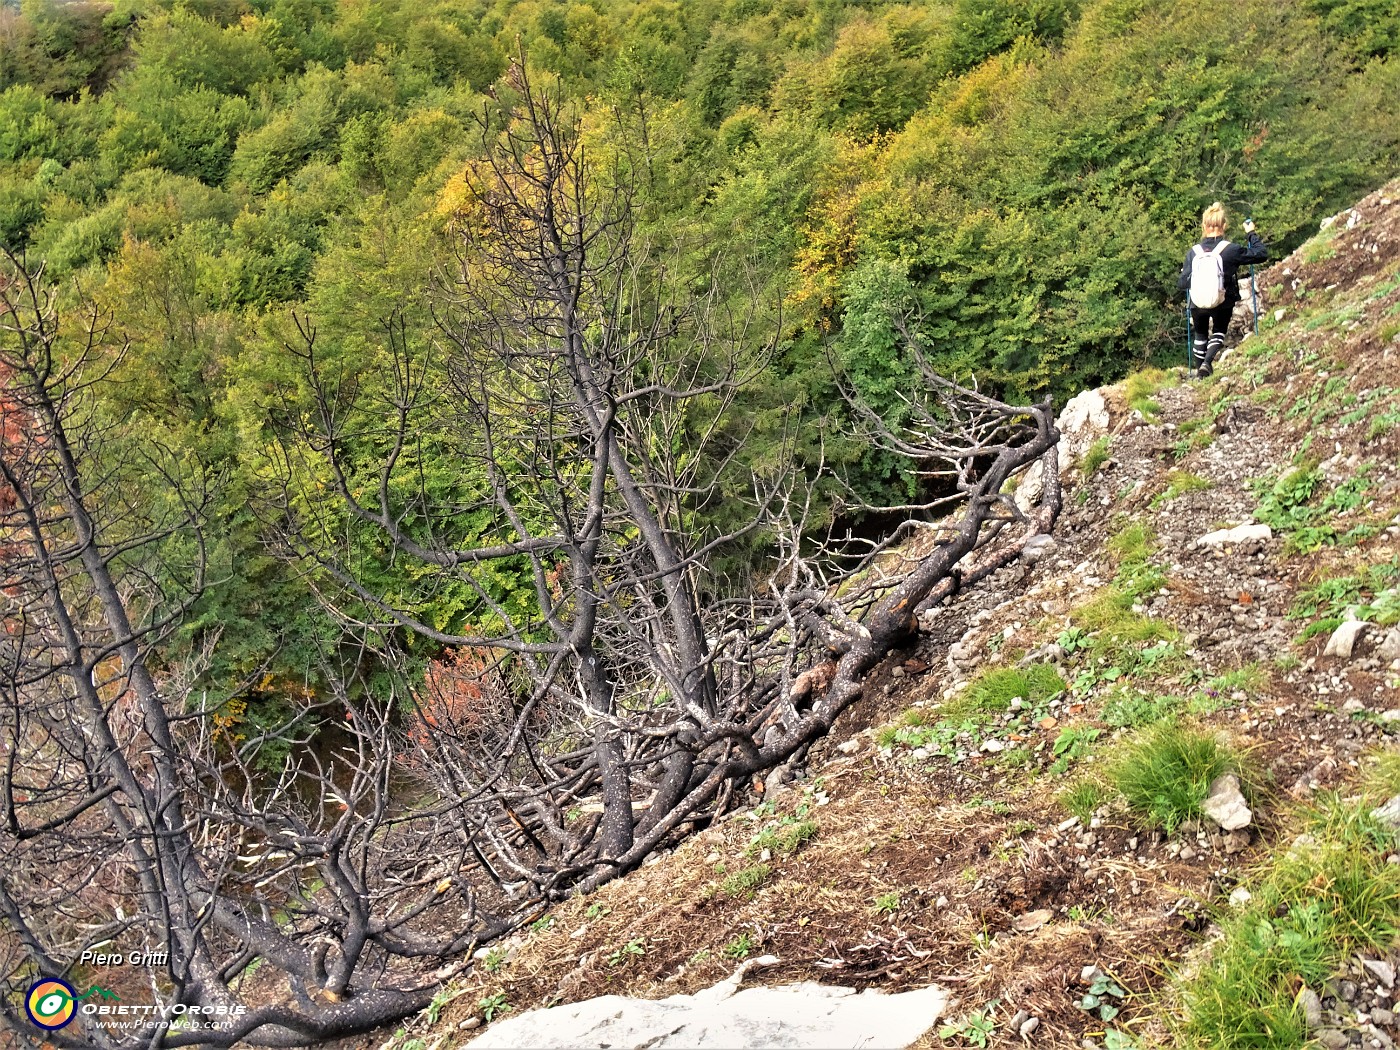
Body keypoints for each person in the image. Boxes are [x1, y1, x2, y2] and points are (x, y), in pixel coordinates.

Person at [1177, 201, 1268, 377]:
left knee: (1200, 335)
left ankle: (1200, 374)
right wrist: (1251, 233)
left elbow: (1182, 284)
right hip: (1223, 301)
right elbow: (1261, 254)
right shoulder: (1231, 250)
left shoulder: (1193, 252)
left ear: (1204, 226)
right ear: (1224, 225)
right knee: (1218, 331)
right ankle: (1207, 363)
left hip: (1197, 302)